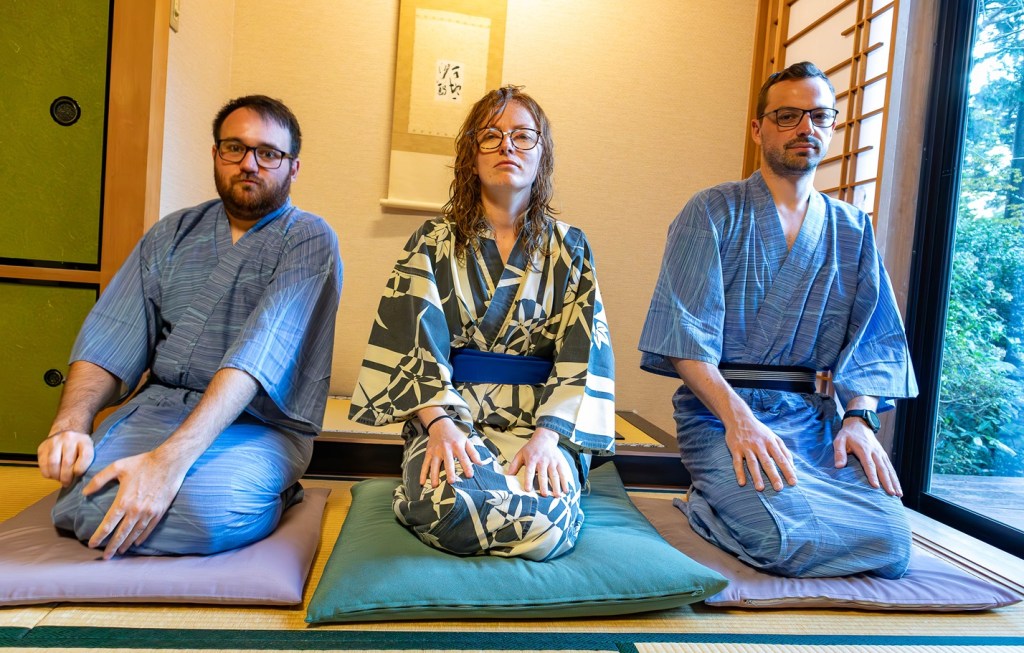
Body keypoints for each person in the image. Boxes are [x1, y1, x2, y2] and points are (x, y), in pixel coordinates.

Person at [638, 62, 918, 579]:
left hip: (813, 420)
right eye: (787, 116)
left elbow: (874, 343)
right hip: (721, 416)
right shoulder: (712, 211)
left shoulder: (852, 228)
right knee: (783, 541)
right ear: (758, 128)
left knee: (893, 546)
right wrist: (740, 421)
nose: (805, 128)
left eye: (819, 116)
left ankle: (730, 503)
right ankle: (706, 502)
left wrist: (859, 419)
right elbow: (684, 339)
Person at [37, 95, 343, 559]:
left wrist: (168, 462)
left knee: (204, 510)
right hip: (160, 408)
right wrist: (70, 426)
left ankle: (278, 493)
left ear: (293, 167)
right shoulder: (172, 232)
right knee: (86, 493)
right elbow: (111, 334)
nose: (249, 164)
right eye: (235, 148)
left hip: (258, 421)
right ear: (216, 154)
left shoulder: (309, 239)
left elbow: (259, 355)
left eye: (268, 153)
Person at [350, 86, 615, 561]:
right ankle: (424, 487)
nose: (507, 146)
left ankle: (535, 478)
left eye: (522, 136)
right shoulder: (432, 242)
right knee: (448, 504)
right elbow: (412, 344)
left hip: (539, 424)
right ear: (471, 157)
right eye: (491, 136)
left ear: (542, 154)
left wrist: (548, 440)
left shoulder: (571, 248)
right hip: (452, 418)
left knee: (549, 518)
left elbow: (584, 354)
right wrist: (439, 426)